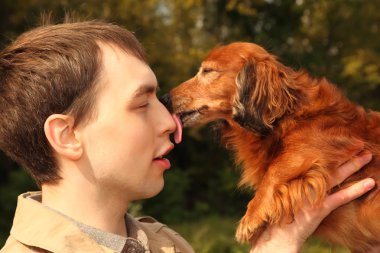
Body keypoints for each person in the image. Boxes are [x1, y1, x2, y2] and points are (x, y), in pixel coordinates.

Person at [0, 20, 376, 253]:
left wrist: (282, 241)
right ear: (66, 135)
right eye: (141, 103)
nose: (169, 120)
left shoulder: (169, 245)